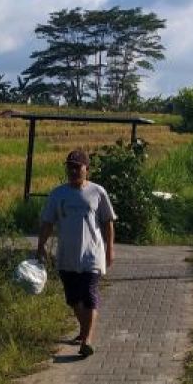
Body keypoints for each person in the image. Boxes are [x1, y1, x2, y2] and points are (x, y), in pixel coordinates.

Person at [37, 148, 116, 358]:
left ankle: (87, 340)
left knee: (89, 295)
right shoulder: (57, 194)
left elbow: (108, 223)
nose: (73, 171)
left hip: (92, 255)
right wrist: (40, 246)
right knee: (73, 299)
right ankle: (83, 331)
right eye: (69, 167)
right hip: (67, 256)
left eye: (77, 167)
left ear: (86, 169)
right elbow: (47, 223)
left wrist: (110, 250)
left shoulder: (98, 192)